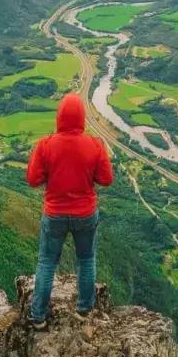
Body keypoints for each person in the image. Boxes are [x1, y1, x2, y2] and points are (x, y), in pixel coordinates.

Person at [25, 92, 114, 328]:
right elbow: (106, 179)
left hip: (54, 213)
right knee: (86, 259)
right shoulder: (94, 145)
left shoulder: (45, 145)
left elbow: (33, 179)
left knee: (46, 262)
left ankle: (38, 316)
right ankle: (85, 309)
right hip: (85, 213)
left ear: (59, 117)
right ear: (82, 118)